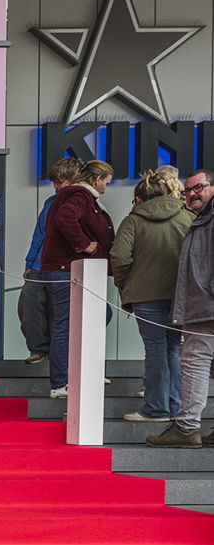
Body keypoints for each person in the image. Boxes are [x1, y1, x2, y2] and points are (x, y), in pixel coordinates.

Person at [110, 170, 191, 424]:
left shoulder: (133, 220)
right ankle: (177, 407)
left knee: (155, 350)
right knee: (175, 349)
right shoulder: (189, 216)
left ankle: (156, 409)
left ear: (141, 196)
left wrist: (127, 285)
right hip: (182, 296)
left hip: (146, 297)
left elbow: (119, 258)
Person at [40, 160, 116, 399]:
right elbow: (65, 218)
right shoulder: (80, 195)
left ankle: (85, 371)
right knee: (67, 323)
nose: (106, 186)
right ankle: (60, 382)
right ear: (96, 179)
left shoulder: (81, 196)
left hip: (76, 270)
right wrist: (84, 244)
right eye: (105, 181)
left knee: (100, 314)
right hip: (66, 270)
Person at [149, 169, 213, 448]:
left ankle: (186, 428)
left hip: (206, 307)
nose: (192, 194)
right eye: (187, 190)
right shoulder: (205, 218)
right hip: (204, 305)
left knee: (195, 363)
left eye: (198, 187)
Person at [19, 158, 82, 363]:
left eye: (60, 181)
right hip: (40, 264)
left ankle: (59, 353)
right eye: (54, 182)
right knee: (28, 303)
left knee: (60, 313)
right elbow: (39, 234)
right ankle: (38, 349)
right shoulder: (50, 202)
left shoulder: (84, 202)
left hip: (66, 267)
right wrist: (29, 264)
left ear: (74, 179)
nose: (56, 186)